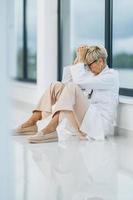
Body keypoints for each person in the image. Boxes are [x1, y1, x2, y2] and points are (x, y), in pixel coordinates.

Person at [15, 45, 119, 143]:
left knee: (72, 87)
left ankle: (52, 128)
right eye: (86, 65)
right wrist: (78, 59)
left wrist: (81, 62)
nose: (88, 68)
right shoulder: (91, 75)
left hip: (97, 125)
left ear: (100, 61)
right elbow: (66, 82)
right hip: (84, 120)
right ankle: (32, 122)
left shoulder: (111, 76)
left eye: (89, 65)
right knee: (55, 86)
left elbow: (77, 83)